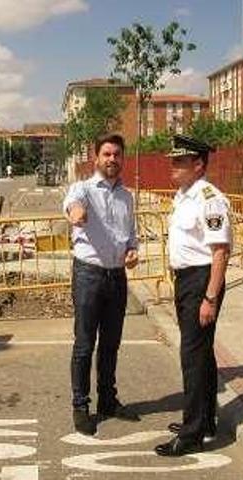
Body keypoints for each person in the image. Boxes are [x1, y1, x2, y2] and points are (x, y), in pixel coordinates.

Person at [155, 134, 231, 457]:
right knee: (202, 354)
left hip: (202, 281)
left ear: (198, 164)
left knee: (192, 356)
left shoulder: (210, 199)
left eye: (180, 161)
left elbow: (220, 252)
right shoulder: (183, 195)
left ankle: (191, 434)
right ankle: (205, 419)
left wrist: (210, 297)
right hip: (186, 280)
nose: (173, 166)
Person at [63, 133, 140, 436]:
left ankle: (108, 400)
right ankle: (81, 406)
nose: (112, 159)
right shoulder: (82, 188)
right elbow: (72, 205)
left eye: (117, 154)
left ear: (122, 158)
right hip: (89, 276)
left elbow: (130, 233)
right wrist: (76, 214)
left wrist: (133, 250)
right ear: (96, 158)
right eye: (106, 154)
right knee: (84, 345)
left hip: (116, 278)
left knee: (111, 344)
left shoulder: (127, 196)